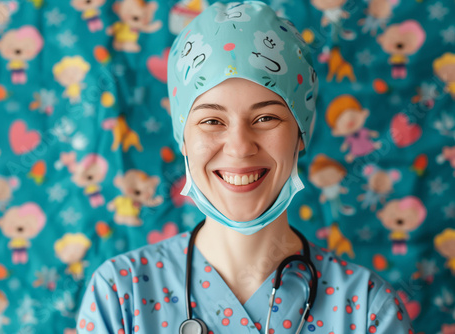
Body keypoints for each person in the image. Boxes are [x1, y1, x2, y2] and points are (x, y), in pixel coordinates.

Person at [76, 2, 414, 333]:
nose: (239, 147)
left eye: (265, 118)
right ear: (182, 138)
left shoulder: (367, 310)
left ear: (300, 133)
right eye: (211, 120)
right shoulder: (121, 296)